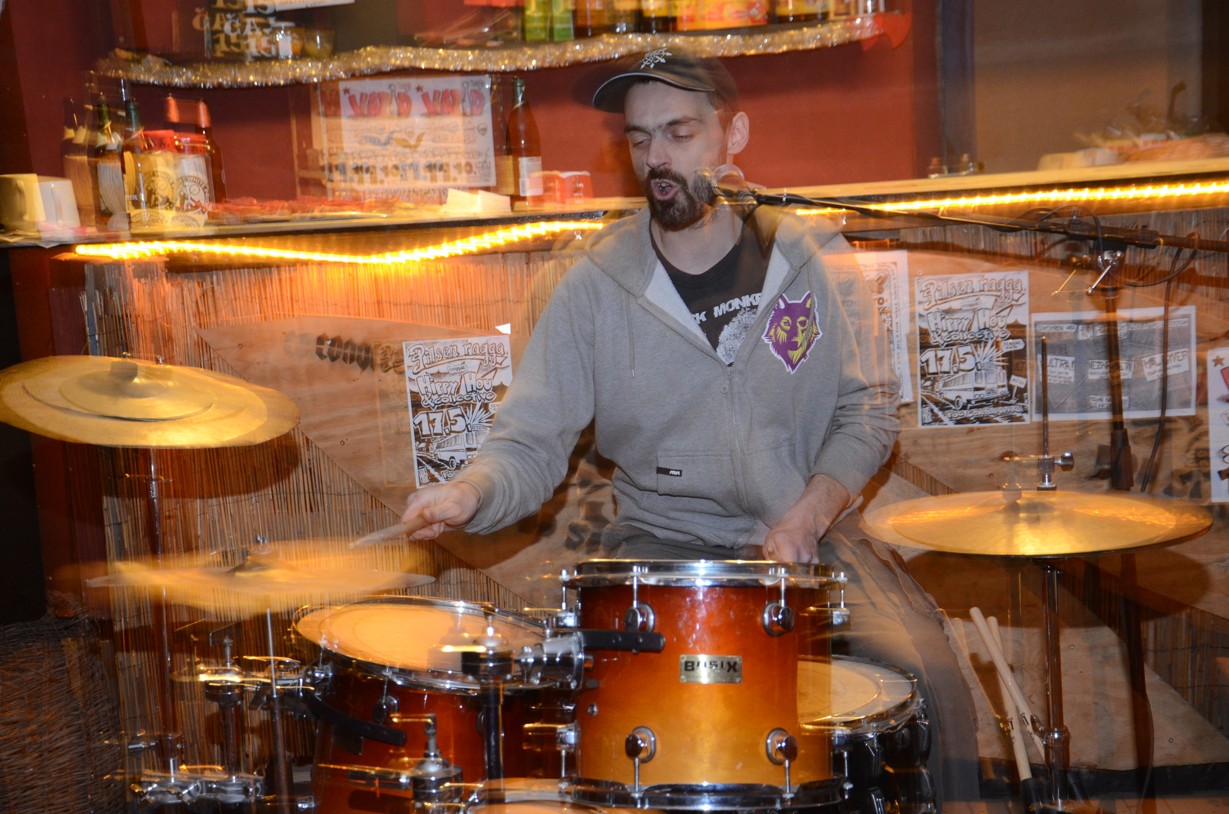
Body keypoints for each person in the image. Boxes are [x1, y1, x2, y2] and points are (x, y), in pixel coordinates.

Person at [402, 48, 981, 805]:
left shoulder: (811, 256)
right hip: (663, 550)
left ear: (732, 135)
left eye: (678, 133)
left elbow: (865, 410)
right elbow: (530, 438)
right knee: (667, 722)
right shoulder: (591, 284)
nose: (657, 159)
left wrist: (808, 516)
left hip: (806, 537)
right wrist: (472, 493)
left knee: (933, 692)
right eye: (640, 139)